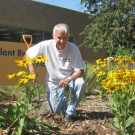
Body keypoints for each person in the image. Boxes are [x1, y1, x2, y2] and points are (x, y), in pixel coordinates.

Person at [26, 23, 86, 122]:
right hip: (54, 82)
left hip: (70, 81)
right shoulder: (46, 45)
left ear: (68, 36)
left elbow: (80, 71)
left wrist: (68, 79)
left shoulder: (73, 49)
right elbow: (28, 53)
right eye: (59, 38)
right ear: (53, 36)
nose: (62, 41)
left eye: (65, 38)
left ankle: (70, 112)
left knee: (81, 83)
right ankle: (64, 101)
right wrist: (32, 72)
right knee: (56, 112)